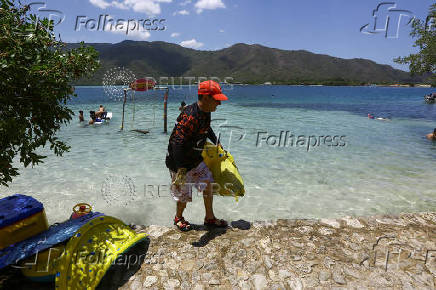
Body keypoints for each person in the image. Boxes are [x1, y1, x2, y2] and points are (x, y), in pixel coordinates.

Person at [166, 80, 228, 231]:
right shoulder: (190, 116)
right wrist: (181, 170)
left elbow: (207, 129)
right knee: (183, 195)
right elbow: (176, 143)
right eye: (217, 100)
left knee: (208, 184)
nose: (219, 104)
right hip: (178, 162)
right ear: (206, 98)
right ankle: (178, 218)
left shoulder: (205, 111)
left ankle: (210, 218)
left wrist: (216, 142)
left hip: (195, 158)